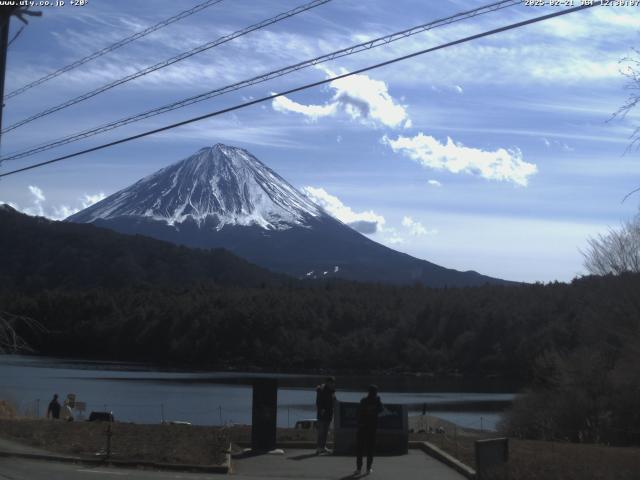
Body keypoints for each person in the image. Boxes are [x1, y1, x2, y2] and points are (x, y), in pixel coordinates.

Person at [355, 385, 383, 476]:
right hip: (370, 427)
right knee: (369, 449)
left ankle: (360, 468)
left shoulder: (364, 401)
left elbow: (359, 412)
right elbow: (380, 409)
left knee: (361, 448)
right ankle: (367, 468)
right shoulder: (375, 401)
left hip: (363, 427)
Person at [315, 376, 336, 454]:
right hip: (322, 414)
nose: (332, 384)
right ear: (327, 382)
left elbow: (333, 401)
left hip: (329, 414)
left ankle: (323, 447)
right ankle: (318, 447)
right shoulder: (321, 390)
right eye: (331, 382)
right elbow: (318, 402)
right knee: (321, 431)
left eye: (333, 382)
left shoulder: (332, 391)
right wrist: (321, 409)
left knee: (326, 431)